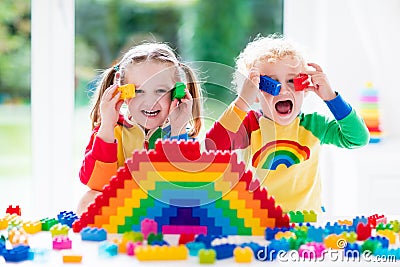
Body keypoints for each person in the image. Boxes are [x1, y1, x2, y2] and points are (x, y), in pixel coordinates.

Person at [205, 34, 369, 213]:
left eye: (292, 81)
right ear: (255, 94)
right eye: (270, 83)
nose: (283, 89)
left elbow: (358, 138)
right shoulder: (249, 126)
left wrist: (331, 97)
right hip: (258, 222)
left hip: (307, 222)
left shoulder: (314, 125)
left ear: (305, 88)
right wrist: (242, 102)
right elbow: (211, 147)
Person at [77, 42, 203, 214]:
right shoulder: (111, 131)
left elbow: (187, 184)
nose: (149, 102)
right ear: (122, 92)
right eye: (139, 91)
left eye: (160, 91)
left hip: (163, 208)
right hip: (124, 208)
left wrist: (177, 131)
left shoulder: (180, 134)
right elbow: (95, 182)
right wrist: (106, 126)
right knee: (88, 200)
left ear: (177, 92)